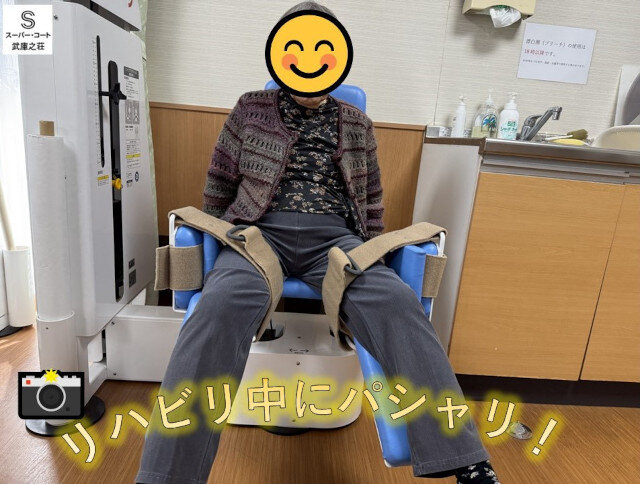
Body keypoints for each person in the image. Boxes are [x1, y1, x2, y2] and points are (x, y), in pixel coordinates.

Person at [136, 3, 499, 483]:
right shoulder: (250, 108)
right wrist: (221, 238)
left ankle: (465, 460)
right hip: (257, 234)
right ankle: (165, 476)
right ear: (280, 56)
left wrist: (370, 254)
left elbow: (370, 201)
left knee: (397, 303)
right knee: (216, 309)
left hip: (336, 239)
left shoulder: (357, 123)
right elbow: (219, 184)